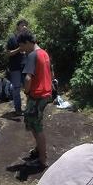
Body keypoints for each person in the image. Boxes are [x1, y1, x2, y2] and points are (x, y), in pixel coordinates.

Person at [17, 30, 52, 170]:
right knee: (33, 123)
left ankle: (42, 160)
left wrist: (26, 91)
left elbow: (28, 78)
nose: (22, 50)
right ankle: (39, 150)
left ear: (27, 43)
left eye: (22, 46)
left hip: (37, 95)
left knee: (37, 127)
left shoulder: (32, 55)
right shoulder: (44, 53)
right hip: (45, 94)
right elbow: (51, 72)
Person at [5, 19, 29, 115]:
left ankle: (30, 108)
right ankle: (18, 109)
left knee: (28, 87)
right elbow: (8, 53)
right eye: (22, 25)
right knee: (16, 88)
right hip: (15, 67)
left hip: (26, 66)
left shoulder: (27, 38)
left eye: (25, 25)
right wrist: (19, 49)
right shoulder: (12, 38)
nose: (24, 27)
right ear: (18, 27)